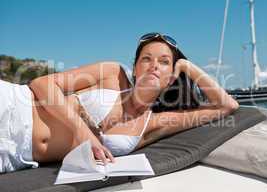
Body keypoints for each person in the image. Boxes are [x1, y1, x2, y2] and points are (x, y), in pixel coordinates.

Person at [0, 32, 239, 173]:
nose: (154, 65)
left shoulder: (153, 124)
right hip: (11, 107)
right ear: (135, 68)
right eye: (146, 59)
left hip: (14, 157)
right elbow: (42, 85)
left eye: (164, 62)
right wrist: (85, 134)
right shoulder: (112, 74)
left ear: (170, 79)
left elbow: (227, 106)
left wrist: (187, 66)